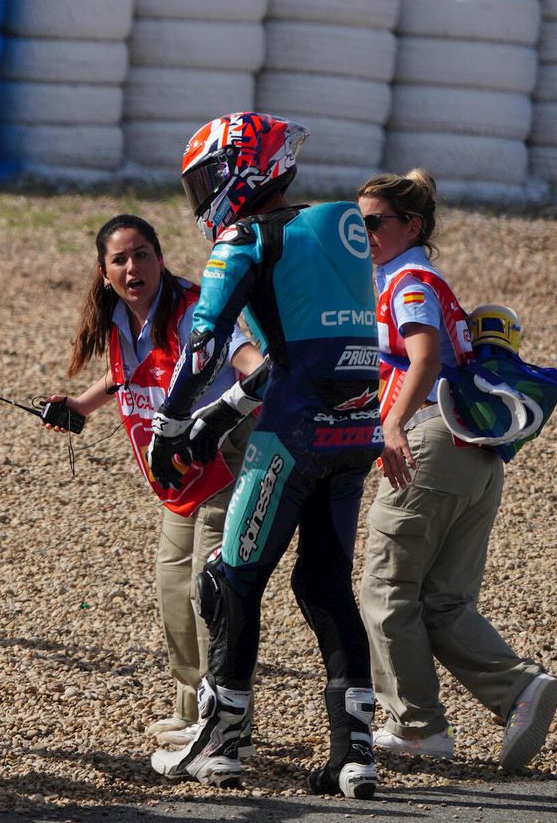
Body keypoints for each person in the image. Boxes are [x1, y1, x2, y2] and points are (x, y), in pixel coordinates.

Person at [147, 112, 380, 798]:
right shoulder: (336, 228)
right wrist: (219, 415)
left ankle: (220, 745)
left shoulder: (245, 238)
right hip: (353, 433)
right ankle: (356, 754)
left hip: (291, 436)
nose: (202, 198)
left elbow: (203, 343)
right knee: (325, 584)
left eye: (206, 181)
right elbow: (301, 354)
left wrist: (171, 424)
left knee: (229, 581)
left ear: (240, 172)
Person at [356, 169, 557, 772]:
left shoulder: (409, 282)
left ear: (411, 226)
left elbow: (423, 358)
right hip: (473, 453)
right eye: (356, 223)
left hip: (430, 442)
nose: (362, 234)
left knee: (386, 591)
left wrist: (393, 425)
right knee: (443, 602)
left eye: (373, 223)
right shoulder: (420, 279)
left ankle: (417, 727)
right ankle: (520, 688)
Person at [43, 214, 263, 751]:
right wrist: (81, 405)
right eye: (119, 259)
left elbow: (248, 360)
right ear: (104, 273)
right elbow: (129, 373)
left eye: (142, 254)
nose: (132, 267)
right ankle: (191, 706)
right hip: (177, 475)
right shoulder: (120, 316)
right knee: (174, 587)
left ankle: (227, 719)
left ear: (160, 259)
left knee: (210, 590)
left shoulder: (194, 309)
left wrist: (255, 379)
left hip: (223, 456)